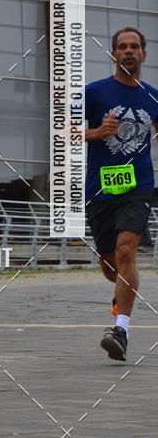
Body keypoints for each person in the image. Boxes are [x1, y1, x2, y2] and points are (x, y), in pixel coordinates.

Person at [85, 27, 158, 362]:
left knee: (127, 252)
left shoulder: (153, 97)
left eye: (135, 47)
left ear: (144, 54)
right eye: (122, 47)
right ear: (113, 54)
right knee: (110, 262)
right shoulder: (94, 93)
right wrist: (96, 133)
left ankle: (121, 330)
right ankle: (120, 295)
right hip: (100, 189)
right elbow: (62, 133)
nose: (129, 51)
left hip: (138, 186)